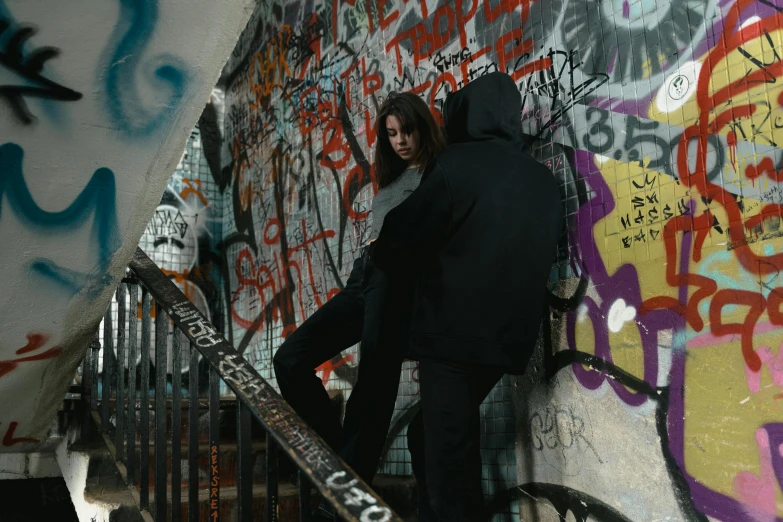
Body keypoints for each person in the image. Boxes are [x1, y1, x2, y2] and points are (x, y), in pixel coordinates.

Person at [370, 72, 564, 521]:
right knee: (429, 434)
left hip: (451, 336)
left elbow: (400, 240)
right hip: (505, 343)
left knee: (451, 465)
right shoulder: (543, 182)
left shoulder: (456, 164)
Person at [272, 91, 445, 519]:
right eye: (391, 134)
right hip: (363, 277)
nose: (400, 141)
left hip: (396, 281)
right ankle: (342, 461)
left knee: (372, 386)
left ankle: (341, 500)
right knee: (290, 358)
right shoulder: (391, 179)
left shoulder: (440, 173)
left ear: (422, 126)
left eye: (406, 131)